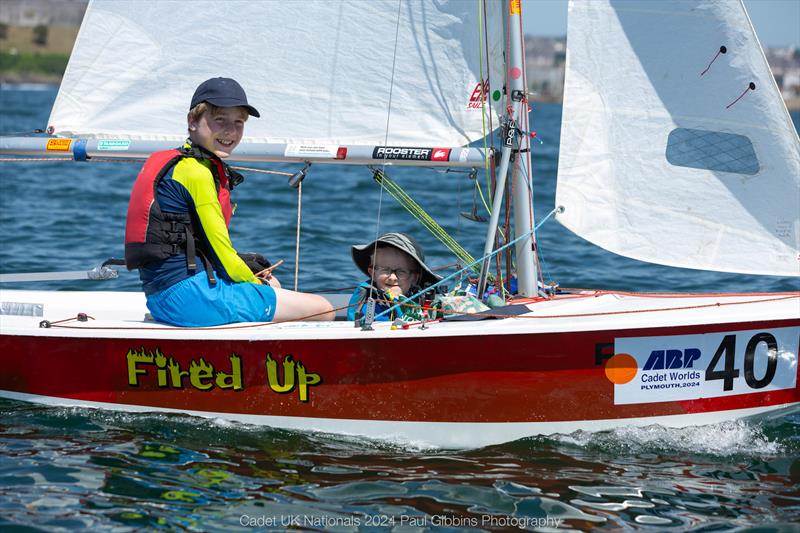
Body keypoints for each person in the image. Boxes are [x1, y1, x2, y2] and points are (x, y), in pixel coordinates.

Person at [124, 77, 334, 326]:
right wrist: (257, 282)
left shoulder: (176, 162)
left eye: (239, 123)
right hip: (192, 299)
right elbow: (222, 251)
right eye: (219, 120)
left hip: (162, 298)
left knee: (273, 284)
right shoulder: (197, 172)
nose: (230, 132)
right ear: (192, 121)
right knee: (324, 309)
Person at [347, 232, 441, 322]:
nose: (392, 277)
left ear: (414, 278)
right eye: (384, 269)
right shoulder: (367, 305)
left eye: (401, 272)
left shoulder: (425, 301)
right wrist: (396, 299)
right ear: (373, 273)